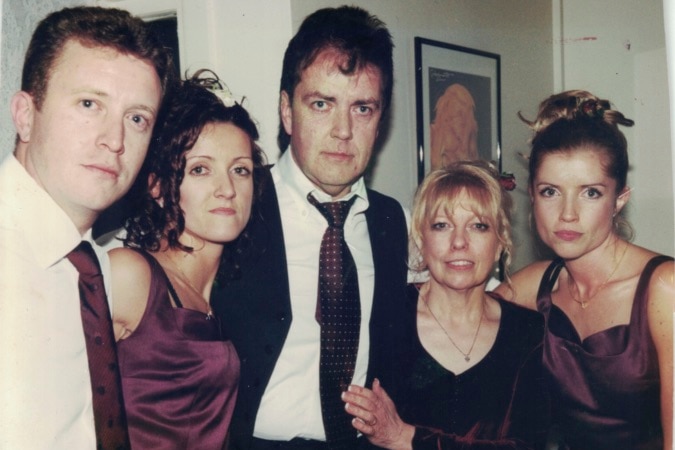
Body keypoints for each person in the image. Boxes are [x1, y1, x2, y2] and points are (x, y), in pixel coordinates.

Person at [211, 6, 410, 450]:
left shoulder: (390, 221)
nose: (343, 130)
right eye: (321, 104)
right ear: (286, 111)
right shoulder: (236, 204)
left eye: (362, 108)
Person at [0, 6, 173, 449]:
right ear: (24, 114)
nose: (114, 140)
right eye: (89, 104)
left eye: (137, 118)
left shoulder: (91, 264)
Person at [494, 90, 674, 450]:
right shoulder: (534, 285)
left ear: (619, 199)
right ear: (531, 194)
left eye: (590, 193)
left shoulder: (664, 288)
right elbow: (455, 320)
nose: (568, 213)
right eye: (550, 192)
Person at [342, 160, 549, 450]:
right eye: (442, 226)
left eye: (478, 226)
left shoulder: (530, 333)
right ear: (421, 238)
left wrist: (406, 438)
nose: (459, 242)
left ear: (500, 242)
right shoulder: (384, 314)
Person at [108, 69, 264, 449]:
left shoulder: (218, 298)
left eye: (240, 170)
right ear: (158, 186)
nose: (227, 189)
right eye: (200, 169)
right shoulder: (130, 274)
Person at [429, 84, 479, 170]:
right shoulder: (434, 134)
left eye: (462, 115)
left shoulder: (469, 144)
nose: (460, 121)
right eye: (455, 115)